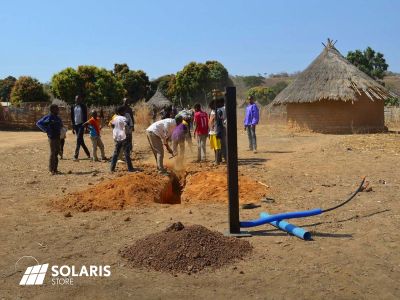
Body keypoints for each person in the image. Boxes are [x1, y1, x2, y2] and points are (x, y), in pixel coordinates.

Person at [36, 104, 63, 175]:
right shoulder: (49, 117)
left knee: (57, 153)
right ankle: (51, 170)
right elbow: (39, 123)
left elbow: (61, 126)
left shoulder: (58, 118)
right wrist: (46, 130)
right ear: (52, 110)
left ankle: (55, 169)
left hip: (58, 137)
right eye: (57, 109)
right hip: (52, 137)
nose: (58, 110)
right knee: (53, 153)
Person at [110, 106, 135, 172]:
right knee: (126, 153)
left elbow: (111, 125)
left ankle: (112, 168)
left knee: (116, 153)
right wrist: (128, 132)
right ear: (122, 112)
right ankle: (130, 168)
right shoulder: (124, 118)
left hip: (117, 137)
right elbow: (127, 126)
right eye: (124, 111)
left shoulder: (115, 118)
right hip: (124, 137)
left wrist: (116, 129)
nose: (125, 112)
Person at [70, 95, 90, 161]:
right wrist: (73, 127)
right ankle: (88, 153)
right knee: (81, 141)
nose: (78, 100)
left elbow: (86, 117)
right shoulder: (73, 107)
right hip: (76, 125)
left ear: (81, 99)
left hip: (82, 124)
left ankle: (76, 156)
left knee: (78, 139)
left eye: (79, 99)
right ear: (75, 99)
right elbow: (72, 117)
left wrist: (86, 127)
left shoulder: (83, 106)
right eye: (77, 99)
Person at [208, 100, 222, 165]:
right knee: (214, 147)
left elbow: (220, 121)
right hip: (211, 132)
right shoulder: (212, 111)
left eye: (211, 106)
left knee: (217, 147)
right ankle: (216, 159)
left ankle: (217, 161)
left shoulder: (219, 111)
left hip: (216, 132)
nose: (210, 107)